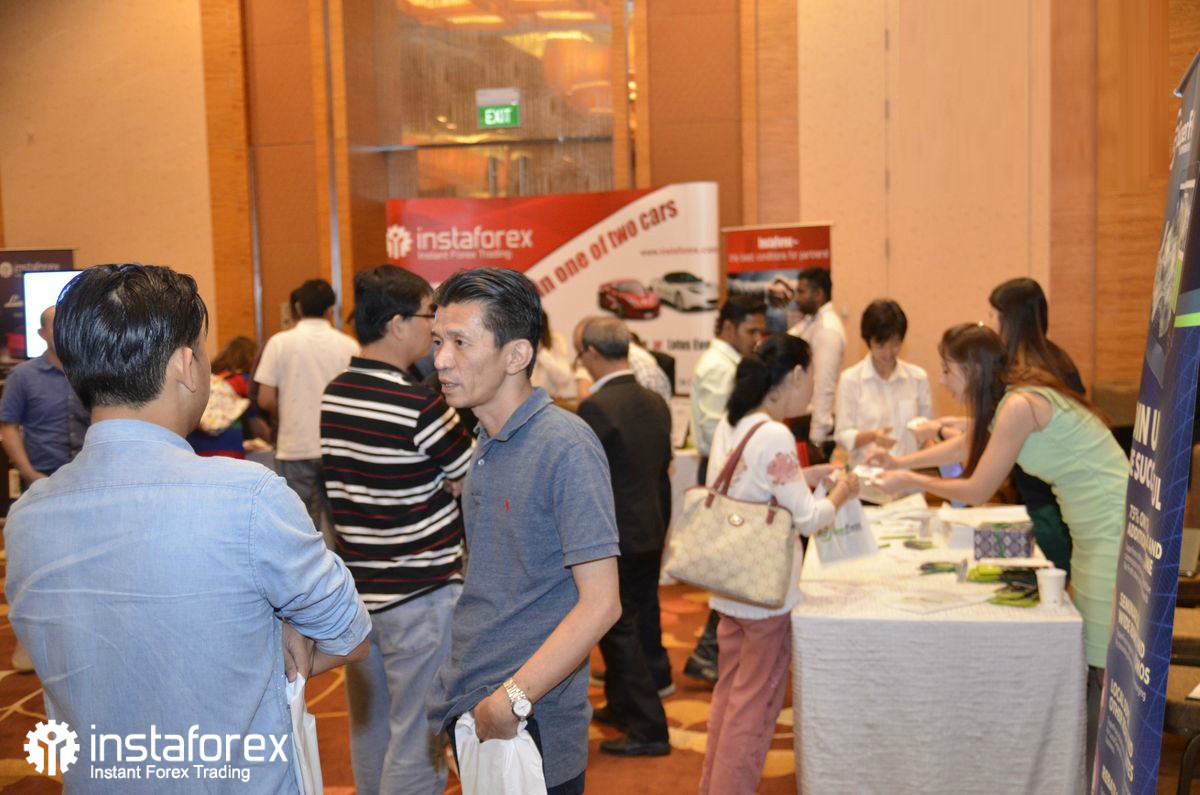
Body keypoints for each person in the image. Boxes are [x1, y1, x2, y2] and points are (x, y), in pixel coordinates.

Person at [4, 264, 370, 792]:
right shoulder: (249, 497)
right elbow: (350, 635)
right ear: (185, 365)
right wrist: (277, 634)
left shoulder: (28, 517)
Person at [875, 322, 1125, 771]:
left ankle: (1105, 772)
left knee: (1104, 661)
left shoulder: (1018, 406)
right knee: (1092, 654)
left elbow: (977, 487)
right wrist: (898, 463)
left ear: (972, 369)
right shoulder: (1010, 399)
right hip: (1090, 527)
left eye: (947, 369)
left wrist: (909, 478)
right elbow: (963, 447)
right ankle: (1090, 770)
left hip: (1110, 522)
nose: (943, 380)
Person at [427, 268, 620, 795]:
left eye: (461, 342)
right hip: (478, 701)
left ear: (516, 356)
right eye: (438, 341)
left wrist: (512, 699)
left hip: (529, 720)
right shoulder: (486, 441)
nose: (441, 359)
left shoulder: (565, 446)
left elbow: (602, 603)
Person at [320, 265, 474, 793]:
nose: (435, 330)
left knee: (372, 732)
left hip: (358, 596)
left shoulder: (336, 392)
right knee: (418, 741)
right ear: (397, 323)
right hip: (421, 592)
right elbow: (468, 479)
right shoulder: (419, 403)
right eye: (430, 317)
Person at [699, 333, 859, 795]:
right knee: (755, 708)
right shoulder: (775, 433)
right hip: (766, 593)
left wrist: (808, 475)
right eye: (811, 378)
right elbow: (808, 518)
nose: (812, 389)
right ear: (795, 374)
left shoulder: (735, 422)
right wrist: (842, 491)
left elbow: (749, 486)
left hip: (731, 584)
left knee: (730, 696)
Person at [574, 316, 673, 758]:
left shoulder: (596, 408)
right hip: (651, 526)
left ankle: (648, 726)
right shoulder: (655, 400)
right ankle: (624, 705)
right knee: (642, 617)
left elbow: (584, 479)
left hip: (616, 534)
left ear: (592, 353)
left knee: (618, 628)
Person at [686, 295, 766, 685]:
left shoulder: (727, 363)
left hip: (724, 472)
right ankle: (707, 651)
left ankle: (711, 650)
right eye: (751, 331)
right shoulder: (721, 367)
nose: (756, 339)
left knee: (732, 567)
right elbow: (721, 432)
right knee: (730, 567)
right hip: (725, 474)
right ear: (729, 327)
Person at [986, 277, 1087, 574]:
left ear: (1010, 320)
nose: (990, 325)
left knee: (1044, 586)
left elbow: (999, 439)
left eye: (993, 316)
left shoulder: (1026, 374)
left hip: (1048, 506)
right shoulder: (1057, 359)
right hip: (1054, 500)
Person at [254, 278, 359, 547]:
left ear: (298, 307)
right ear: (331, 309)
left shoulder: (279, 343)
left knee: (301, 530)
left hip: (295, 446)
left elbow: (265, 399)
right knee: (344, 529)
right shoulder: (349, 345)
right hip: (339, 448)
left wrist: (283, 416)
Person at [834, 299, 932, 468]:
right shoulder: (851, 379)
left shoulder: (918, 378)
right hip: (866, 476)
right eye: (880, 345)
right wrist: (872, 436)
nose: (888, 353)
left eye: (895, 344)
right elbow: (842, 436)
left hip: (907, 476)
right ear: (868, 341)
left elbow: (927, 430)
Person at [0, 306, 89, 486]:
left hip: (88, 477)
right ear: (42, 334)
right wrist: (29, 474)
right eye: (57, 326)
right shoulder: (22, 376)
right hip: (41, 480)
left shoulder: (92, 373)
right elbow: (8, 428)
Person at [787, 267, 846, 456]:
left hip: (814, 426)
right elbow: (789, 339)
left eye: (801, 292)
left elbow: (824, 384)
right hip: (804, 420)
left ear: (819, 294)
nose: (796, 298)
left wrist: (817, 437)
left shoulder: (827, 329)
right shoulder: (812, 322)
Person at [186, 335, 268, 458]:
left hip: (194, 447)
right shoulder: (243, 381)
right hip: (227, 449)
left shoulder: (210, 379)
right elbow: (256, 426)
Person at [531, 309, 580, 401]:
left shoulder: (556, 340)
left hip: (548, 400)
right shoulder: (514, 341)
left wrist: (541, 352)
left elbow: (563, 377)